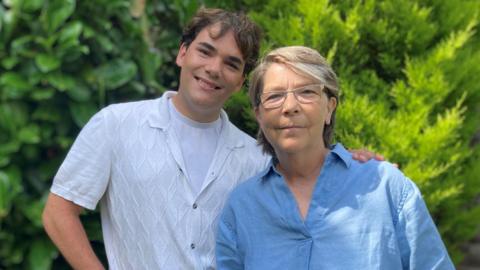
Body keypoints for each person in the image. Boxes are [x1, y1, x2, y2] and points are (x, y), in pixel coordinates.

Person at [42, 8, 381, 270]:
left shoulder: (256, 158)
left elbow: (308, 191)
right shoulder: (115, 124)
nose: (214, 68)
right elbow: (59, 212)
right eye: (205, 51)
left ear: (239, 83)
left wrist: (349, 165)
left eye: (231, 64)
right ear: (182, 54)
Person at [216, 46, 454, 269]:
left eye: (306, 92)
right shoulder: (241, 209)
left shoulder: (385, 188)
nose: (290, 106)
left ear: (330, 107)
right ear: (259, 115)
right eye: (275, 96)